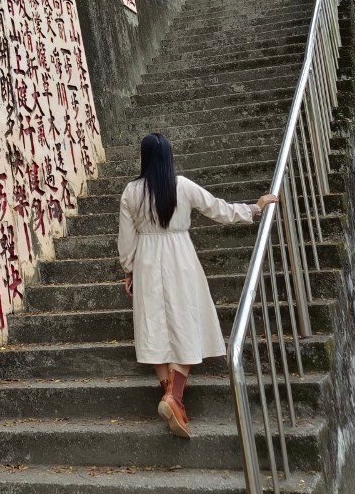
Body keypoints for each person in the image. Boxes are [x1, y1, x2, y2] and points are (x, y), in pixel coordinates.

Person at [118, 132, 279, 438]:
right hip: (181, 260)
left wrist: (129, 270)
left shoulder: (130, 192)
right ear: (168, 157)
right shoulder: (183, 186)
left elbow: (127, 240)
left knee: (154, 327)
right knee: (186, 323)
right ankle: (174, 398)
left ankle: (172, 397)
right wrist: (254, 207)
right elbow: (218, 209)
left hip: (147, 263)